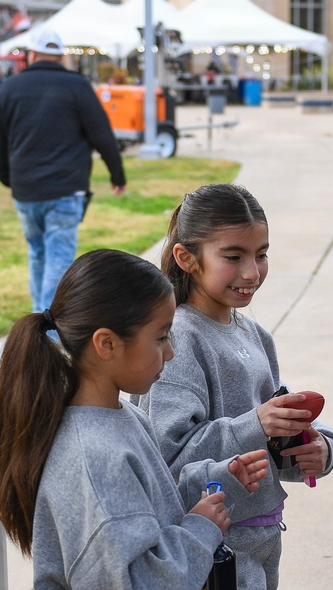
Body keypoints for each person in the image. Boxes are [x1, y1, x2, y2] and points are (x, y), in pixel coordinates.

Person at [0, 249, 270, 589]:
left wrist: (211, 482)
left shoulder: (126, 415)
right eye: (160, 337)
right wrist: (200, 529)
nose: (170, 352)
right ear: (107, 344)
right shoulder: (95, 457)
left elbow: (150, 509)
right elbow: (136, 581)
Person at [134, 183, 333, 590]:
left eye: (261, 254)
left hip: (263, 531)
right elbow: (167, 461)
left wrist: (318, 449)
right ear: (187, 258)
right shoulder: (177, 339)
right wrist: (256, 424)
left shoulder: (256, 335)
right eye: (233, 256)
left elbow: (276, 431)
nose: (252, 272)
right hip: (210, 543)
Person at [0, 28, 126, 313]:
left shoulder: (8, 88)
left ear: (32, 55)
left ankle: (39, 320)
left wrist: (8, 178)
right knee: (58, 258)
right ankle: (47, 328)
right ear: (60, 56)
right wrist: (117, 175)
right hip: (66, 189)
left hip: (25, 190)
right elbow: (102, 134)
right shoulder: (76, 86)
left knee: (37, 254)